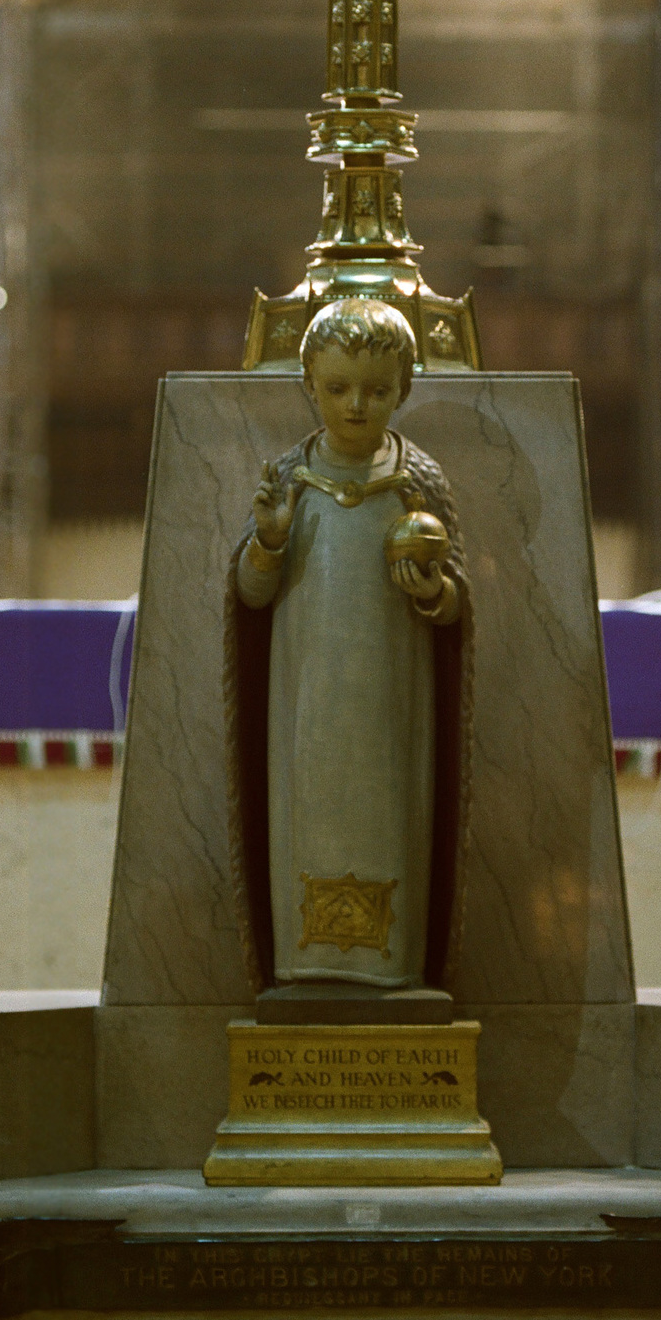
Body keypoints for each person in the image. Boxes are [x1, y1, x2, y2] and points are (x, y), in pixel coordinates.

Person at [231, 298, 467, 991]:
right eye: (337, 389)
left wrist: (431, 590)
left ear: (404, 390)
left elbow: (456, 609)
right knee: (307, 824)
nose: (357, 406)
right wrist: (270, 539)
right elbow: (249, 596)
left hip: (393, 703)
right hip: (306, 705)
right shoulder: (289, 482)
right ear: (309, 384)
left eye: (377, 390)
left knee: (390, 821)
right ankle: (310, 960)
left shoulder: (417, 483)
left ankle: (387, 964)